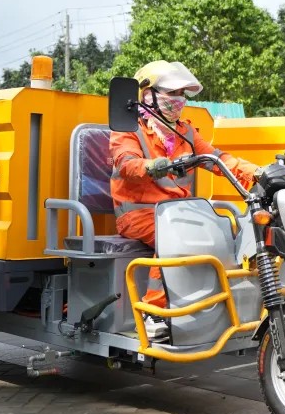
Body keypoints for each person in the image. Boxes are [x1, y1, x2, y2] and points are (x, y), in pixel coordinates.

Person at [110, 60, 259, 342]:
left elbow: (217, 158)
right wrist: (152, 166)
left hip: (178, 214)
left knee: (227, 233)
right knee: (176, 238)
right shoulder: (128, 129)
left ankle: (212, 307)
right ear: (147, 94)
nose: (178, 100)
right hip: (138, 214)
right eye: (172, 93)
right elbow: (126, 163)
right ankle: (154, 313)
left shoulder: (186, 132)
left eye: (182, 94)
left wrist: (257, 173)